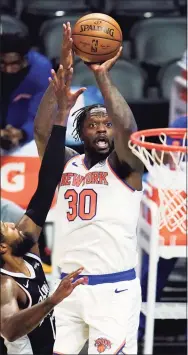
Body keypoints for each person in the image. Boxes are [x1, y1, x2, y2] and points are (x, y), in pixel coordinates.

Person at [34, 22, 144, 354]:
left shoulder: (126, 167)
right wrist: (63, 73)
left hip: (113, 292)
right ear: (81, 134)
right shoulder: (67, 163)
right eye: (92, 125)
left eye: (106, 124)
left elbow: (128, 128)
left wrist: (101, 75)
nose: (101, 129)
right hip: (67, 288)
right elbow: (42, 133)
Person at [0, 92, 87, 355]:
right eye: (7, 228)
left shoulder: (28, 253)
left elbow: (47, 184)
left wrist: (62, 115)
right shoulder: (5, 285)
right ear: (2, 248)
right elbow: (9, 329)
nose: (13, 224)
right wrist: (53, 300)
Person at [138, 114, 187, 341]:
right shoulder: (181, 125)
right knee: (154, 262)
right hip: (176, 209)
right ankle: (137, 327)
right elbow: (169, 167)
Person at [0, 32, 52, 150]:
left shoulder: (41, 70)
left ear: (24, 58)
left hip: (27, 128)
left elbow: (43, 111)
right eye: (2, 63)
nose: (8, 69)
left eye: (14, 63)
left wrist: (23, 133)